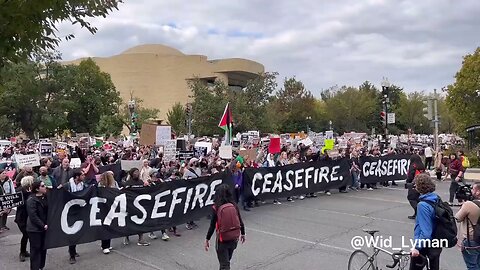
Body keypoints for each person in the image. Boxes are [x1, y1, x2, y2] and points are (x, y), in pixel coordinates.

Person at [205, 184, 245, 270]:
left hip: (222, 239)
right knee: (226, 261)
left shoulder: (216, 207)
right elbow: (240, 220)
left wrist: (207, 239)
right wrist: (243, 233)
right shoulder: (234, 205)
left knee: (224, 264)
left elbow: (212, 225)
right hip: (234, 238)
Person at [409, 173, 442, 270]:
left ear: (420, 186)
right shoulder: (435, 198)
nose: (414, 187)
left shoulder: (422, 205)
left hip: (424, 244)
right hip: (436, 240)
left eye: (415, 185)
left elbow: (426, 232)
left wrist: (417, 247)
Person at [63, 170, 88, 264]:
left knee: (78, 232)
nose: (84, 176)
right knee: (72, 233)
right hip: (70, 212)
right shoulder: (67, 185)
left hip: (80, 211)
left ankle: (73, 250)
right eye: (82, 175)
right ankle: (72, 255)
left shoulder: (83, 185)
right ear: (77, 177)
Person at [455, 182, 480, 269]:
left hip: (472, 239)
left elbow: (458, 218)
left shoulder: (469, 205)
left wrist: (463, 206)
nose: (471, 191)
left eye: (473, 189)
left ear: (478, 192)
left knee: (472, 266)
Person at [123, 168, 150, 246]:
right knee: (128, 221)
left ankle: (140, 239)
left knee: (141, 221)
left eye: (138, 172)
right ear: (132, 174)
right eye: (135, 172)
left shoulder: (141, 182)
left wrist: (147, 186)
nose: (137, 173)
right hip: (130, 205)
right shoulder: (128, 183)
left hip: (139, 205)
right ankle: (126, 236)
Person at [26, 181, 48, 270]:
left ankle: (41, 266)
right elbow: (33, 216)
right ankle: (35, 268)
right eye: (43, 186)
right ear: (37, 189)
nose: (45, 187)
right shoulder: (31, 200)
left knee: (43, 248)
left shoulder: (45, 197)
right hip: (34, 229)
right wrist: (43, 225)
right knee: (35, 249)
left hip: (44, 228)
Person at [97, 171, 119, 254]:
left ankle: (108, 244)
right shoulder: (101, 185)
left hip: (111, 207)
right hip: (104, 208)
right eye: (111, 175)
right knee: (105, 226)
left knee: (110, 226)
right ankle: (104, 246)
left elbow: (117, 191)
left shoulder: (115, 183)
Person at [15, 176, 34, 262]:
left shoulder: (31, 190)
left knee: (27, 235)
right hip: (22, 217)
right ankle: (22, 253)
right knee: (26, 234)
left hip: (28, 216)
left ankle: (24, 251)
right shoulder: (20, 191)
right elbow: (25, 203)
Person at [405, 154, 425, 219]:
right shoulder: (422, 166)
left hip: (414, 183)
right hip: (421, 183)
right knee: (418, 199)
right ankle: (417, 213)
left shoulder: (413, 166)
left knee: (411, 198)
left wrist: (408, 182)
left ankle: (418, 211)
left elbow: (410, 175)